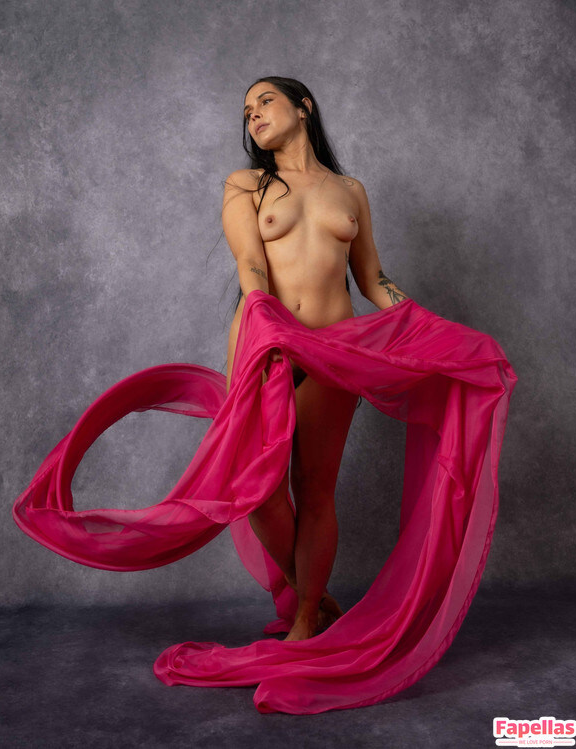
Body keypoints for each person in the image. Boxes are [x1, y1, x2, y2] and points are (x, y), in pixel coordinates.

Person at [222, 76, 409, 642]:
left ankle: (306, 617)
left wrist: (421, 323)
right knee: (256, 491)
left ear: (303, 107)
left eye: (265, 101)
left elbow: (371, 277)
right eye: (247, 111)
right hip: (267, 343)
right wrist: (265, 319)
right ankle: (315, 593)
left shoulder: (350, 190)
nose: (254, 115)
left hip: (334, 351)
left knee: (315, 488)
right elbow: (250, 261)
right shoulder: (247, 184)